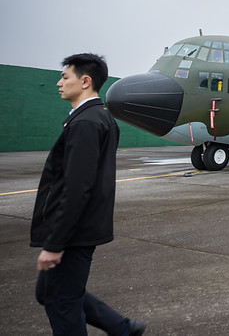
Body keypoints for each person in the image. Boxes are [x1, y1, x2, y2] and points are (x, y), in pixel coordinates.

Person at [30, 54, 146, 335]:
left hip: (74, 232)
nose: (59, 83)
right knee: (48, 292)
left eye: (65, 77)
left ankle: (123, 328)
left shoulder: (86, 123)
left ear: (85, 81)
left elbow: (77, 186)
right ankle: (123, 328)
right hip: (83, 226)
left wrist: (55, 242)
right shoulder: (99, 118)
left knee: (61, 301)